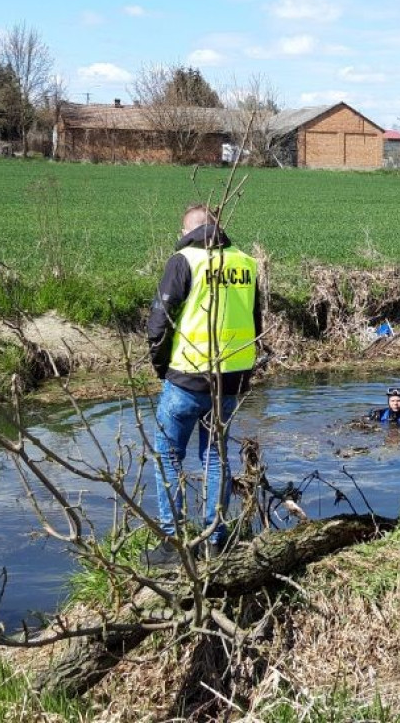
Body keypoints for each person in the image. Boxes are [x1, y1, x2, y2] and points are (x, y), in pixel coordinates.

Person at [146, 203, 262, 566]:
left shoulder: (185, 260)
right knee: (214, 457)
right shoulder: (245, 261)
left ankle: (175, 543)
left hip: (187, 375)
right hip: (232, 378)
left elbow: (158, 321)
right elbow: (256, 322)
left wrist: (160, 364)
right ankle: (215, 539)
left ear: (190, 229)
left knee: (167, 454)